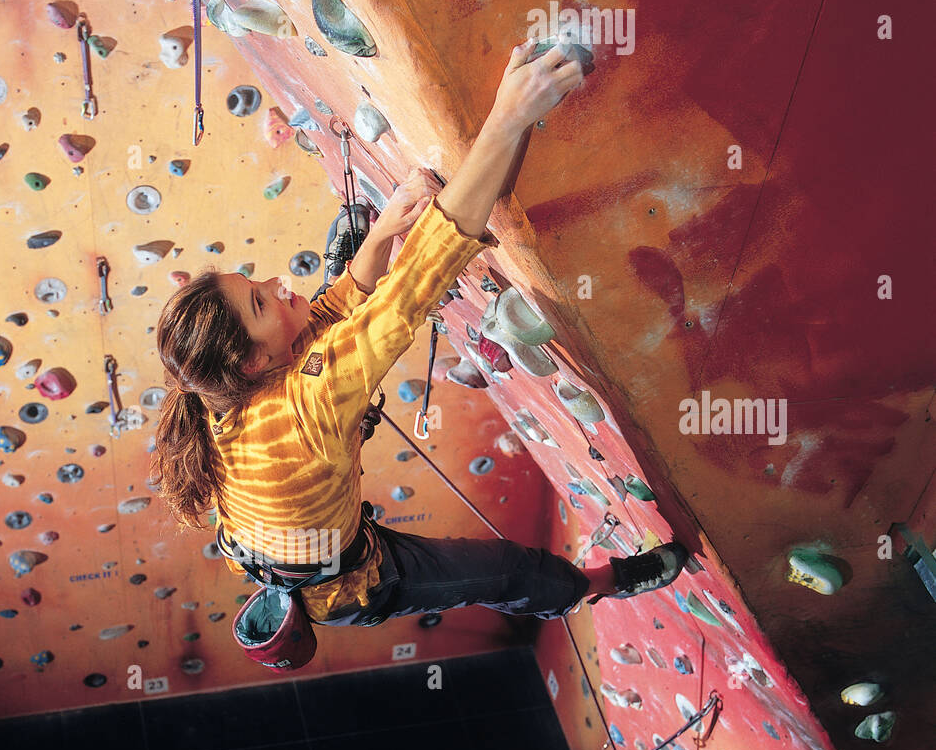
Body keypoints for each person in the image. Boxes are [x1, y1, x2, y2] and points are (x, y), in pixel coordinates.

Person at [152, 38, 688, 632]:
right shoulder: (304, 402)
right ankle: (605, 583)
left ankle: (355, 265)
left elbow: (323, 328)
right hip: (352, 583)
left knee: (334, 313)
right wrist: (507, 117)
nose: (279, 281)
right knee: (509, 573)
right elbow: (411, 291)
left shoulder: (220, 390)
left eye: (255, 281)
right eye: (260, 300)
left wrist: (381, 235)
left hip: (290, 533)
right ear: (252, 364)